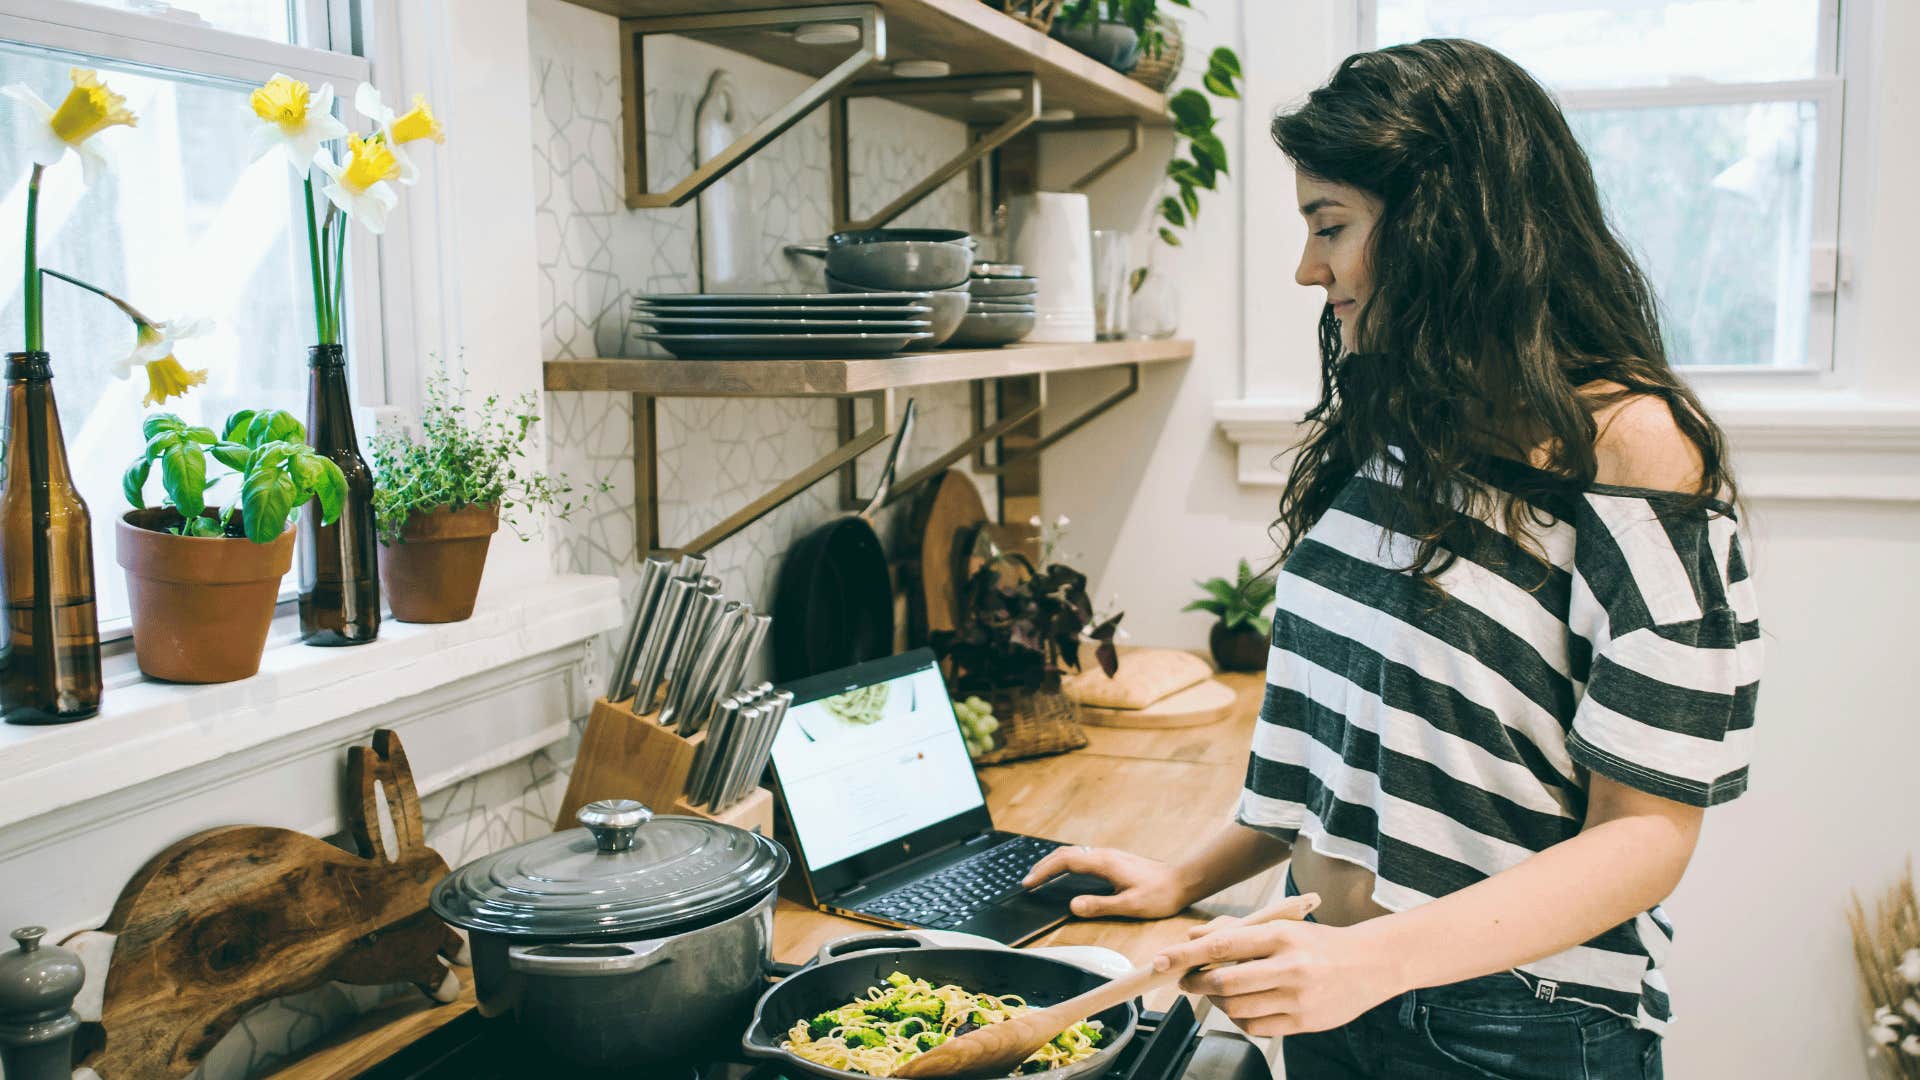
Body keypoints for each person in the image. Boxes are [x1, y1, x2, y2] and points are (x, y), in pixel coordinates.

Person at [1020, 38, 1760, 1079]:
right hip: (1328, 991)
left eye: (1331, 226)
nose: (1307, 268)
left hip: (1512, 1029)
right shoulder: (1409, 419)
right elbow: (1351, 741)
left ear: (1447, 225)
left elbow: (1646, 839)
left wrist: (1368, 964)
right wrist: (1185, 878)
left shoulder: (1636, 451)